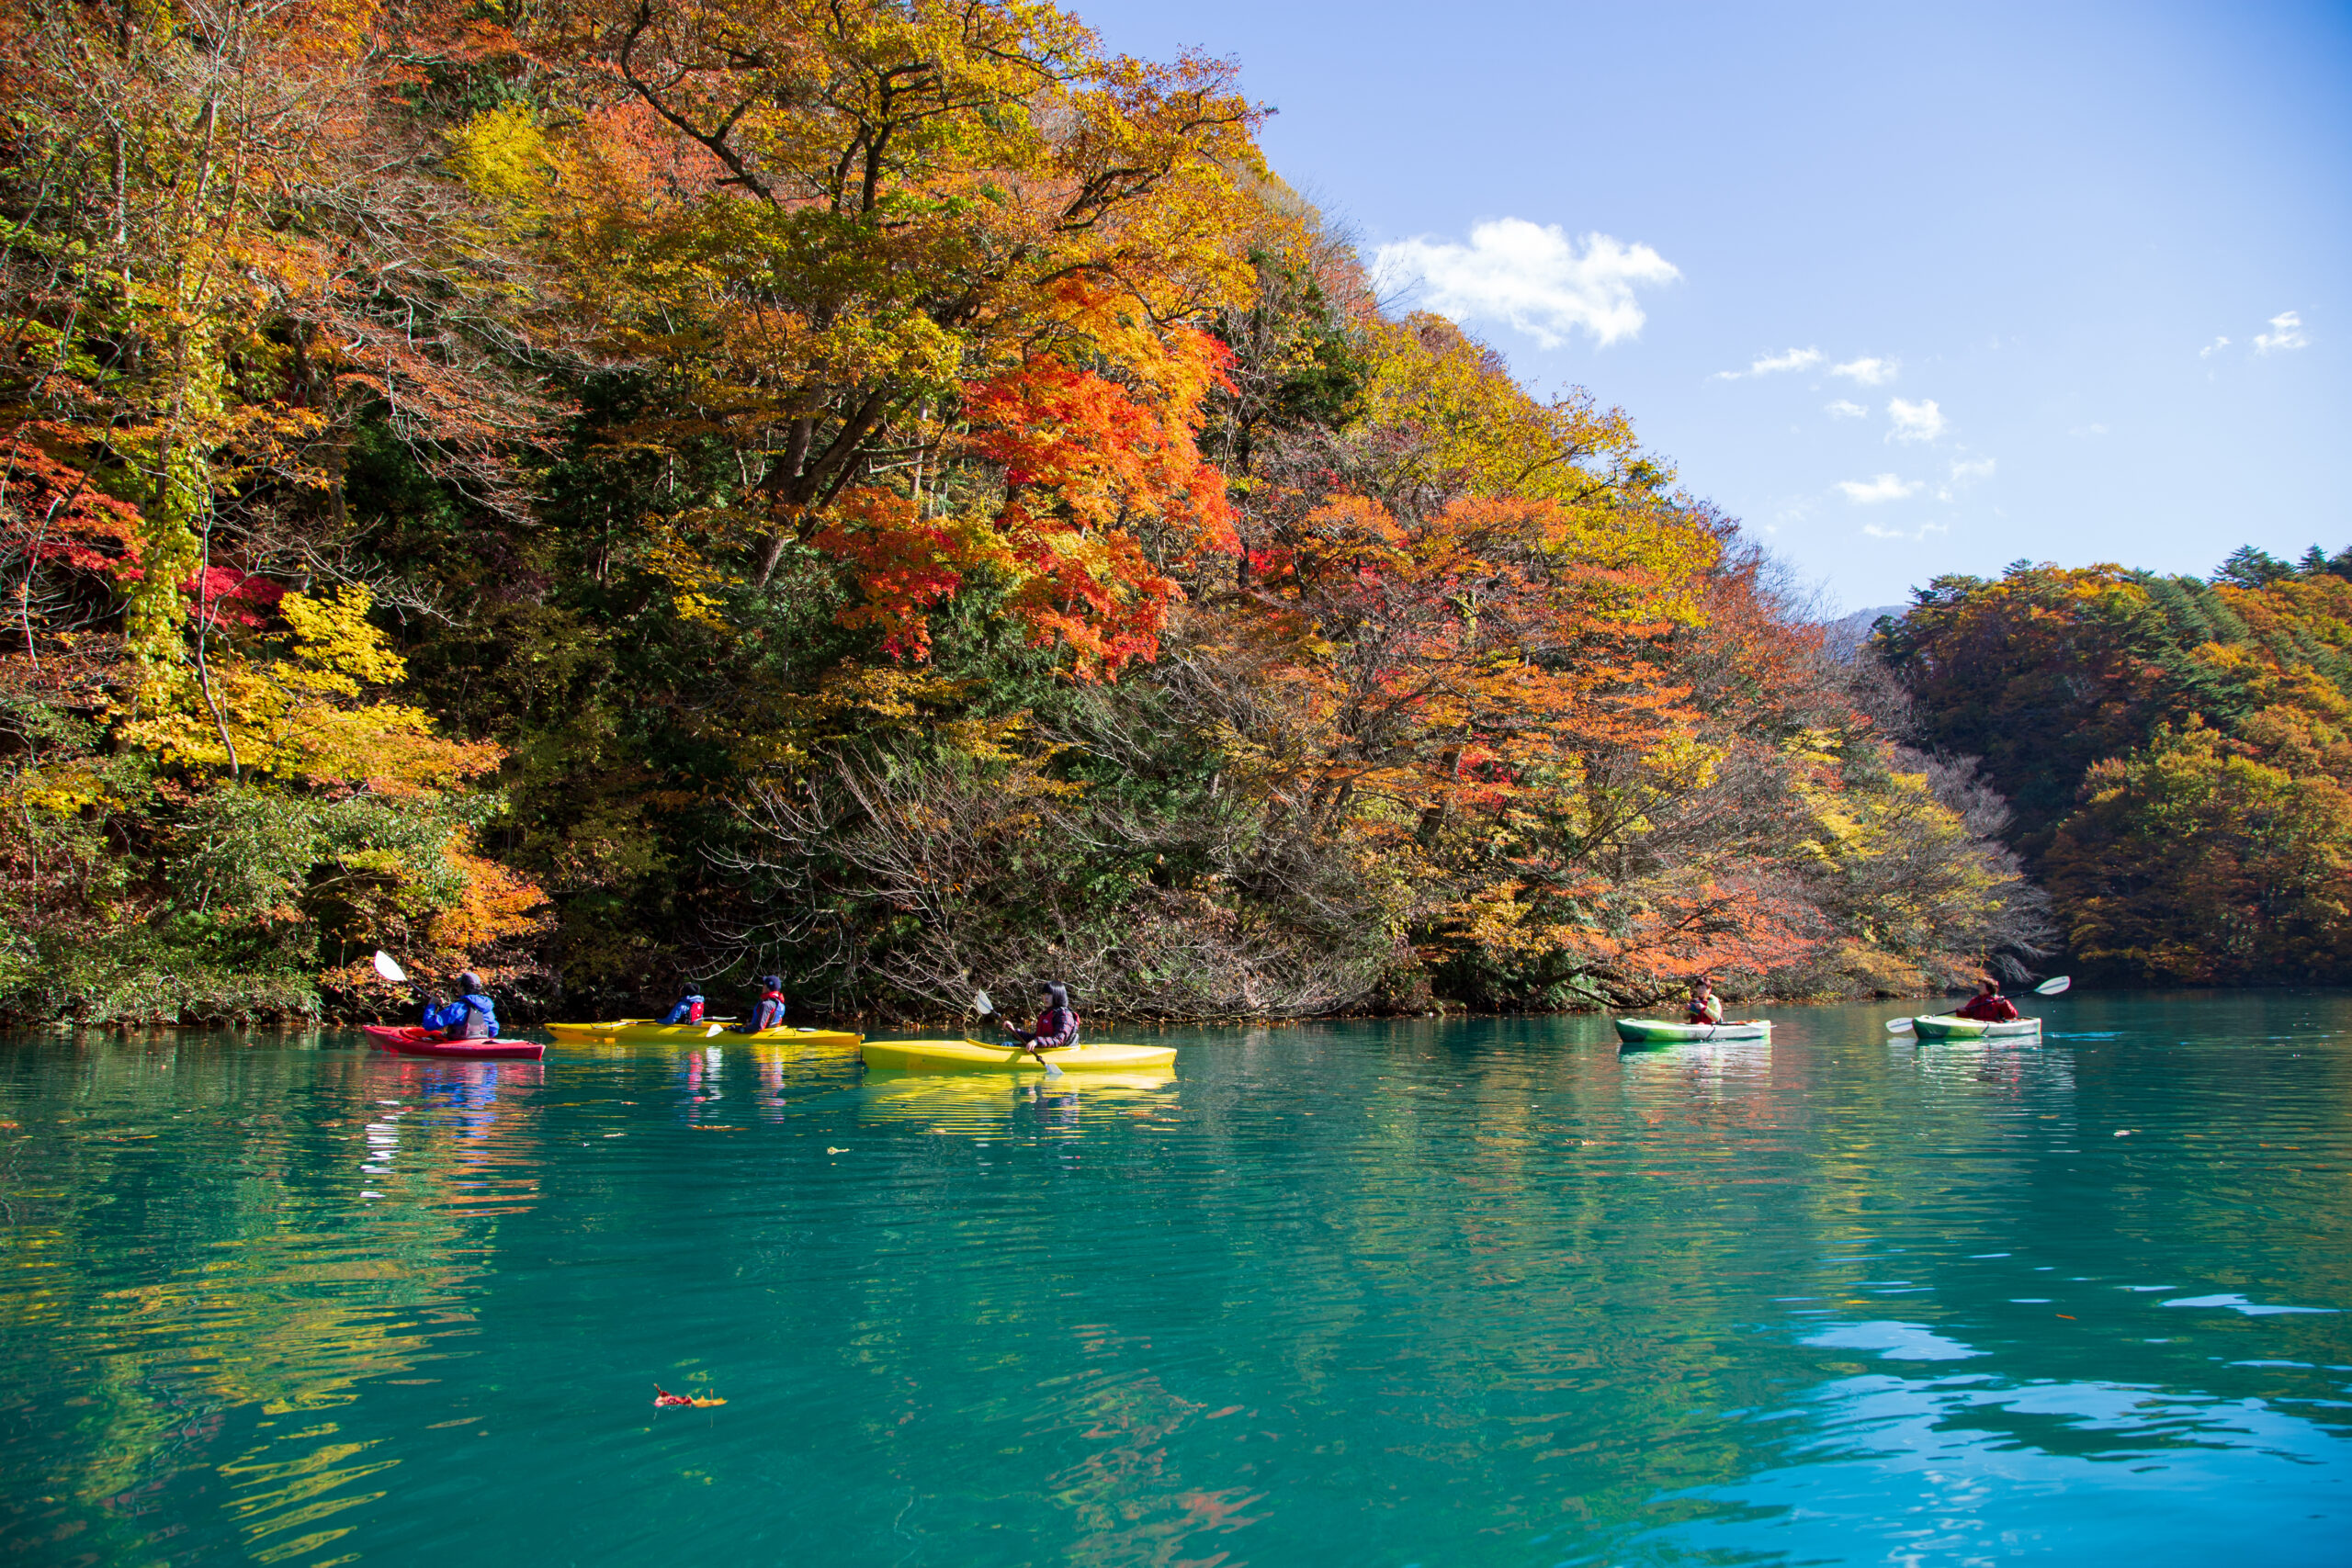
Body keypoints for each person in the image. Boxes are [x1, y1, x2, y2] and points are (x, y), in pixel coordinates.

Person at [1006, 980, 1080, 1063]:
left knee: (1007, 1045)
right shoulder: (1045, 1014)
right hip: (1042, 1050)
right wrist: (1013, 1031)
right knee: (1007, 1044)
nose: (1045, 997)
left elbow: (1058, 1040)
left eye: (1049, 994)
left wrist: (1037, 1041)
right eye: (1044, 994)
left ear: (1058, 995)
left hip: (1057, 1053)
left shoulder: (1065, 1015)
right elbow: (1035, 1037)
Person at [425, 971, 499, 1040]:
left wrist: (431, 1005)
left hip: (460, 1044)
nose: (457, 987)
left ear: (462, 987)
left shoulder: (457, 1008)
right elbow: (494, 1031)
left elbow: (429, 1025)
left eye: (458, 984)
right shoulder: (486, 1007)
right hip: (480, 1043)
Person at [1955, 976, 2020, 1022]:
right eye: (1979, 986)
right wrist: (1961, 1011)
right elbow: (1966, 1016)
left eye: (1981, 986)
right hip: (1977, 1023)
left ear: (1989, 988)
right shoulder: (1975, 1000)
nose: (1979, 988)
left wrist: (2004, 1004)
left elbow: (2011, 1016)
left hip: (1994, 1024)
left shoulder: (1999, 1000)